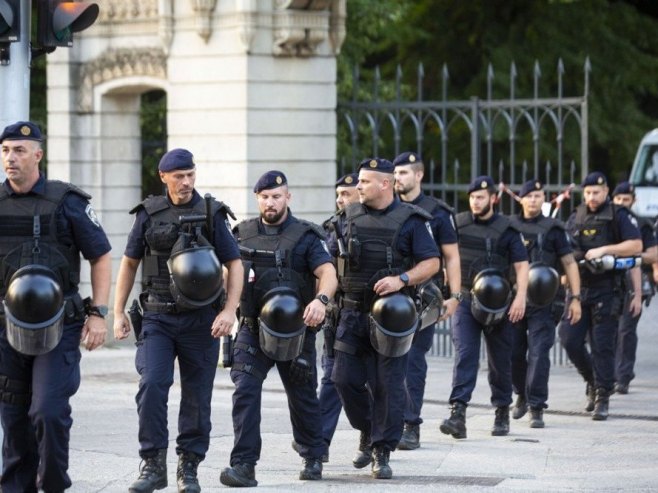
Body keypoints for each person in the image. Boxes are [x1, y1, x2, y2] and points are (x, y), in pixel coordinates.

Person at [113, 148, 244, 493]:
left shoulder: (211, 212)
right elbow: (128, 262)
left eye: (190, 174)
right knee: (153, 384)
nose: (186, 182)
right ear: (163, 177)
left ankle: (189, 467)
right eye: (179, 176)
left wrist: (229, 311)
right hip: (157, 315)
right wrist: (116, 312)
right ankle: (153, 464)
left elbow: (235, 265)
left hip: (202, 320)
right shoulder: (149, 214)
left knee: (197, 397)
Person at [0, 121, 112, 492]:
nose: (10, 158)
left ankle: (51, 485)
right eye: (5, 151)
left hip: (59, 325)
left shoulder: (67, 202)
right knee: (14, 418)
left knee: (47, 411)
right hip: (7, 327)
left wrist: (98, 313)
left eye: (18, 150)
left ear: (38, 154)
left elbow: (101, 256)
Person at [220, 170, 337, 487]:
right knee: (244, 389)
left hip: (295, 330)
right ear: (257, 198)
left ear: (288, 197)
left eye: (276, 196)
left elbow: (327, 272)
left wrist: (321, 301)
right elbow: (225, 273)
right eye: (264, 197)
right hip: (252, 327)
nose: (270, 202)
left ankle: (312, 454)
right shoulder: (240, 234)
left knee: (302, 394)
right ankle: (244, 465)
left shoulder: (306, 236)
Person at [328, 157, 440, 479]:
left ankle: (382, 449)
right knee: (343, 379)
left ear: (385, 184)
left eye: (364, 181)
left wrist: (402, 280)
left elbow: (431, 263)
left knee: (388, 384)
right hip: (350, 313)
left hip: (392, 316)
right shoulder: (345, 218)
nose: (357, 186)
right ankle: (367, 429)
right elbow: (329, 263)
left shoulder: (412, 221)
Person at [439, 175, 529, 439]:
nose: (475, 202)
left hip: (500, 303)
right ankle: (458, 413)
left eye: (480, 197)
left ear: (494, 198)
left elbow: (522, 266)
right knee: (465, 354)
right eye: (472, 197)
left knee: (500, 359)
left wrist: (521, 296)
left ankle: (502, 410)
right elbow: (446, 257)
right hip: (467, 298)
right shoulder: (457, 224)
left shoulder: (507, 229)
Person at [559, 171, 642, 420]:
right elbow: (565, 248)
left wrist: (604, 249)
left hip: (607, 289)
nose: (592, 197)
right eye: (587, 193)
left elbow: (636, 245)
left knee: (603, 346)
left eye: (596, 192)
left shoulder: (618, 215)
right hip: (578, 289)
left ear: (606, 191)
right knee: (569, 339)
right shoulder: (577, 215)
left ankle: (603, 397)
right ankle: (592, 381)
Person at [392, 151, 460, 450]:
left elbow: (451, 256)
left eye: (404, 173)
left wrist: (455, 295)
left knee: (413, 359)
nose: (398, 179)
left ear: (418, 175)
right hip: (390, 293)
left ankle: (411, 425)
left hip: (424, 296)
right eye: (395, 174)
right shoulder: (386, 207)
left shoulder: (437, 212)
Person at [509, 180, 582, 428]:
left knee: (539, 354)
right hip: (515, 301)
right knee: (514, 354)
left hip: (546, 303)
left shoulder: (553, 228)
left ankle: (537, 406)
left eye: (538, 196)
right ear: (520, 199)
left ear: (543, 199)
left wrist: (575, 298)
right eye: (528, 196)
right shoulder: (510, 227)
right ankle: (521, 393)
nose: (533, 200)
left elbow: (570, 263)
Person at [311, 172, 360, 461]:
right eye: (338, 194)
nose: (341, 199)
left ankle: (374, 438)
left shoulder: (370, 226)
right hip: (336, 315)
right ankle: (319, 442)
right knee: (330, 377)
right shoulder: (328, 229)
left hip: (364, 315)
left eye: (347, 193)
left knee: (361, 382)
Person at [611, 181, 658, 394]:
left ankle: (623, 376)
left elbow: (653, 253)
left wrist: (632, 255)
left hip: (635, 281)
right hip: (609, 283)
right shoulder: (607, 223)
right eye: (618, 200)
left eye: (626, 200)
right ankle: (609, 375)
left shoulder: (642, 223)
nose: (622, 203)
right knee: (607, 330)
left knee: (626, 329)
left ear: (634, 201)